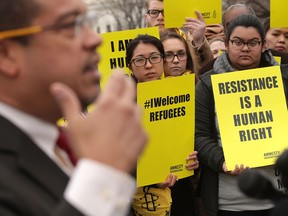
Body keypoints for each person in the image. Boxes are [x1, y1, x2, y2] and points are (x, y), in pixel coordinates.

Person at [0, 0, 148, 216]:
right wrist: (102, 173)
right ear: (6, 55)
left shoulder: (61, 145)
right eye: (69, 26)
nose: (94, 39)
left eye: (87, 22)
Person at [195, 14, 288, 216]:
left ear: (264, 44)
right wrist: (222, 161)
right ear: (227, 44)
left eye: (252, 42)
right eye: (238, 42)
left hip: (279, 200)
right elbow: (199, 136)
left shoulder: (283, 80)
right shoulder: (207, 85)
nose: (245, 48)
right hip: (228, 204)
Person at [126, 34, 199, 215]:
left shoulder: (180, 95)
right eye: (140, 60)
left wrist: (193, 160)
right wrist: (150, 178)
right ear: (130, 66)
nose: (149, 65)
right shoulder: (121, 105)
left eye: (154, 57)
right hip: (139, 200)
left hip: (180, 190)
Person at [160, 30, 201, 216]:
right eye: (168, 55)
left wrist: (199, 156)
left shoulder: (201, 89)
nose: (175, 60)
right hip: (159, 184)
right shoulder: (144, 93)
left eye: (181, 54)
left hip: (193, 182)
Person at [199, 4, 288, 75]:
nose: (239, 29)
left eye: (246, 22)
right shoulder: (208, 75)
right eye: (232, 25)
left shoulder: (284, 65)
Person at [144, 0, 213, 79]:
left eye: (166, 12)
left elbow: (208, 73)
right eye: (154, 12)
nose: (160, 17)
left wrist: (199, 41)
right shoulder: (136, 46)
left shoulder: (188, 41)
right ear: (146, 17)